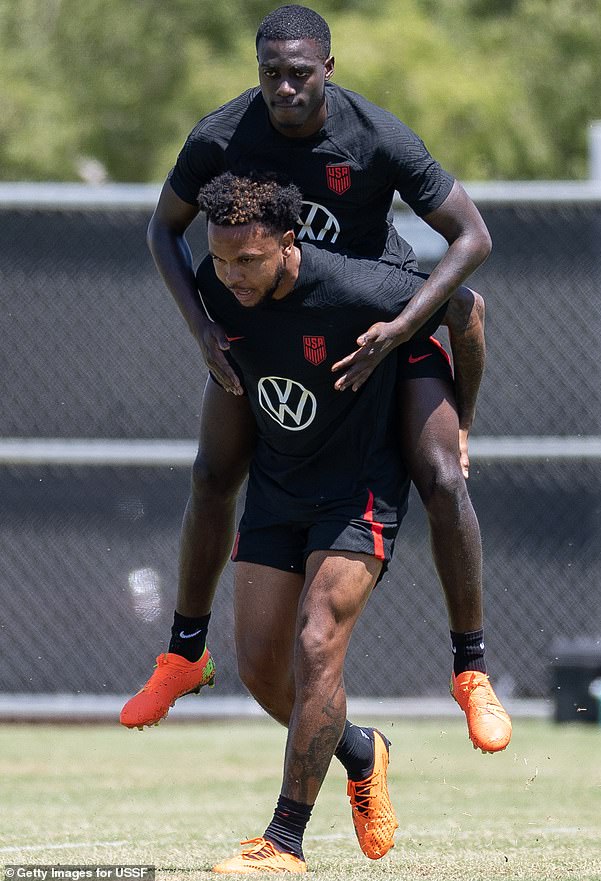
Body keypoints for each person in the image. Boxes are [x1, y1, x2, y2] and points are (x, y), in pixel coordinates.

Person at [121, 4, 511, 755]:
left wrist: (406, 337)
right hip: (266, 325)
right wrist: (201, 329)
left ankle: (471, 670)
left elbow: (474, 239)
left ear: (327, 69)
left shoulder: (376, 137)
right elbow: (161, 227)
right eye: (272, 73)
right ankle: (183, 650)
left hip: (372, 319)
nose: (285, 87)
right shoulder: (222, 137)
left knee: (439, 473)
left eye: (300, 73)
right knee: (212, 470)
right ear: (258, 71)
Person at [193, 172, 451, 873]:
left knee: (316, 648)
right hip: (278, 488)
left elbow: (471, 310)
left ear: (288, 239)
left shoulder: (360, 288)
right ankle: (363, 752)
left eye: (248, 259)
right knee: (259, 668)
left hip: (357, 489)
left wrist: (465, 426)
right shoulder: (214, 287)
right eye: (219, 260)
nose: (231, 275)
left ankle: (283, 840)